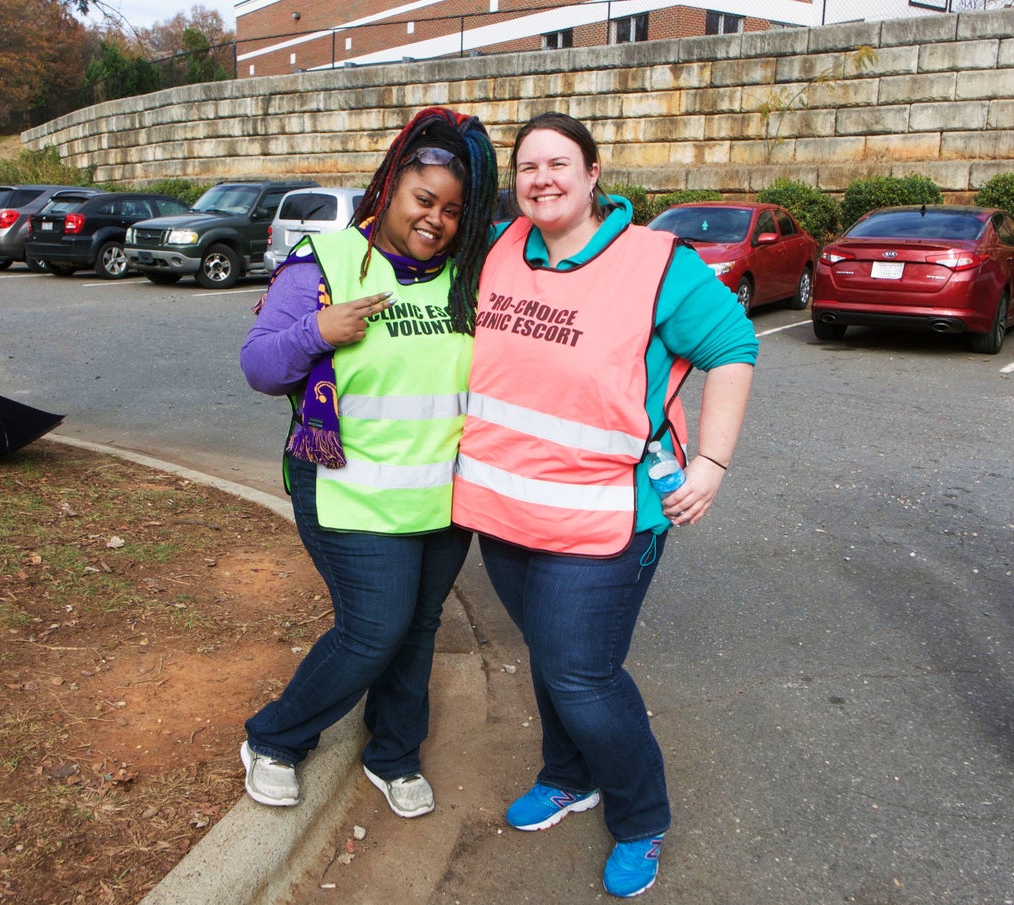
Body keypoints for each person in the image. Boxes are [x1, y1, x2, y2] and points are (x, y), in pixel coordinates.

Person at [452, 112, 758, 897]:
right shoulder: (495, 250)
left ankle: (641, 816)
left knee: (582, 673)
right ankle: (567, 774)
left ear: (593, 175)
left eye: (560, 163)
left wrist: (715, 461)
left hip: (609, 515)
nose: (542, 178)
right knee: (552, 660)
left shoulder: (655, 261)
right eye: (527, 167)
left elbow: (733, 348)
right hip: (507, 511)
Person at [238, 107, 498, 819]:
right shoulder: (325, 263)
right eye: (424, 199)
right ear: (389, 187)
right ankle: (275, 738)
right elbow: (259, 365)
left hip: (441, 496)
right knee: (373, 628)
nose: (435, 220)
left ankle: (393, 751)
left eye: (452, 209)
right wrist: (318, 329)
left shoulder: (467, 277)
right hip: (345, 486)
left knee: (417, 627)